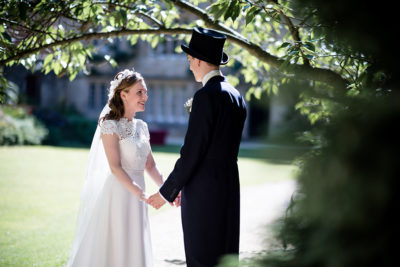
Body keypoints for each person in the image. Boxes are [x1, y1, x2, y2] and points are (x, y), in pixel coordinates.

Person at [148, 27, 247, 267]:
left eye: (191, 60)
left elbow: (193, 151)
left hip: (203, 190)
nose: (190, 65)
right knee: (224, 253)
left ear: (200, 60)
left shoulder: (206, 96)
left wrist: (166, 192)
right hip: (229, 185)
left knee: (201, 255)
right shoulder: (236, 97)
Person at [67, 69, 167, 267]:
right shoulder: (110, 125)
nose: (145, 96)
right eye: (139, 92)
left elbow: (151, 165)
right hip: (119, 193)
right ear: (123, 94)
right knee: (115, 247)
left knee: (133, 245)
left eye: (145, 92)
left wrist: (167, 191)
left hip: (138, 196)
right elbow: (115, 167)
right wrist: (141, 194)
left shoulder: (142, 127)